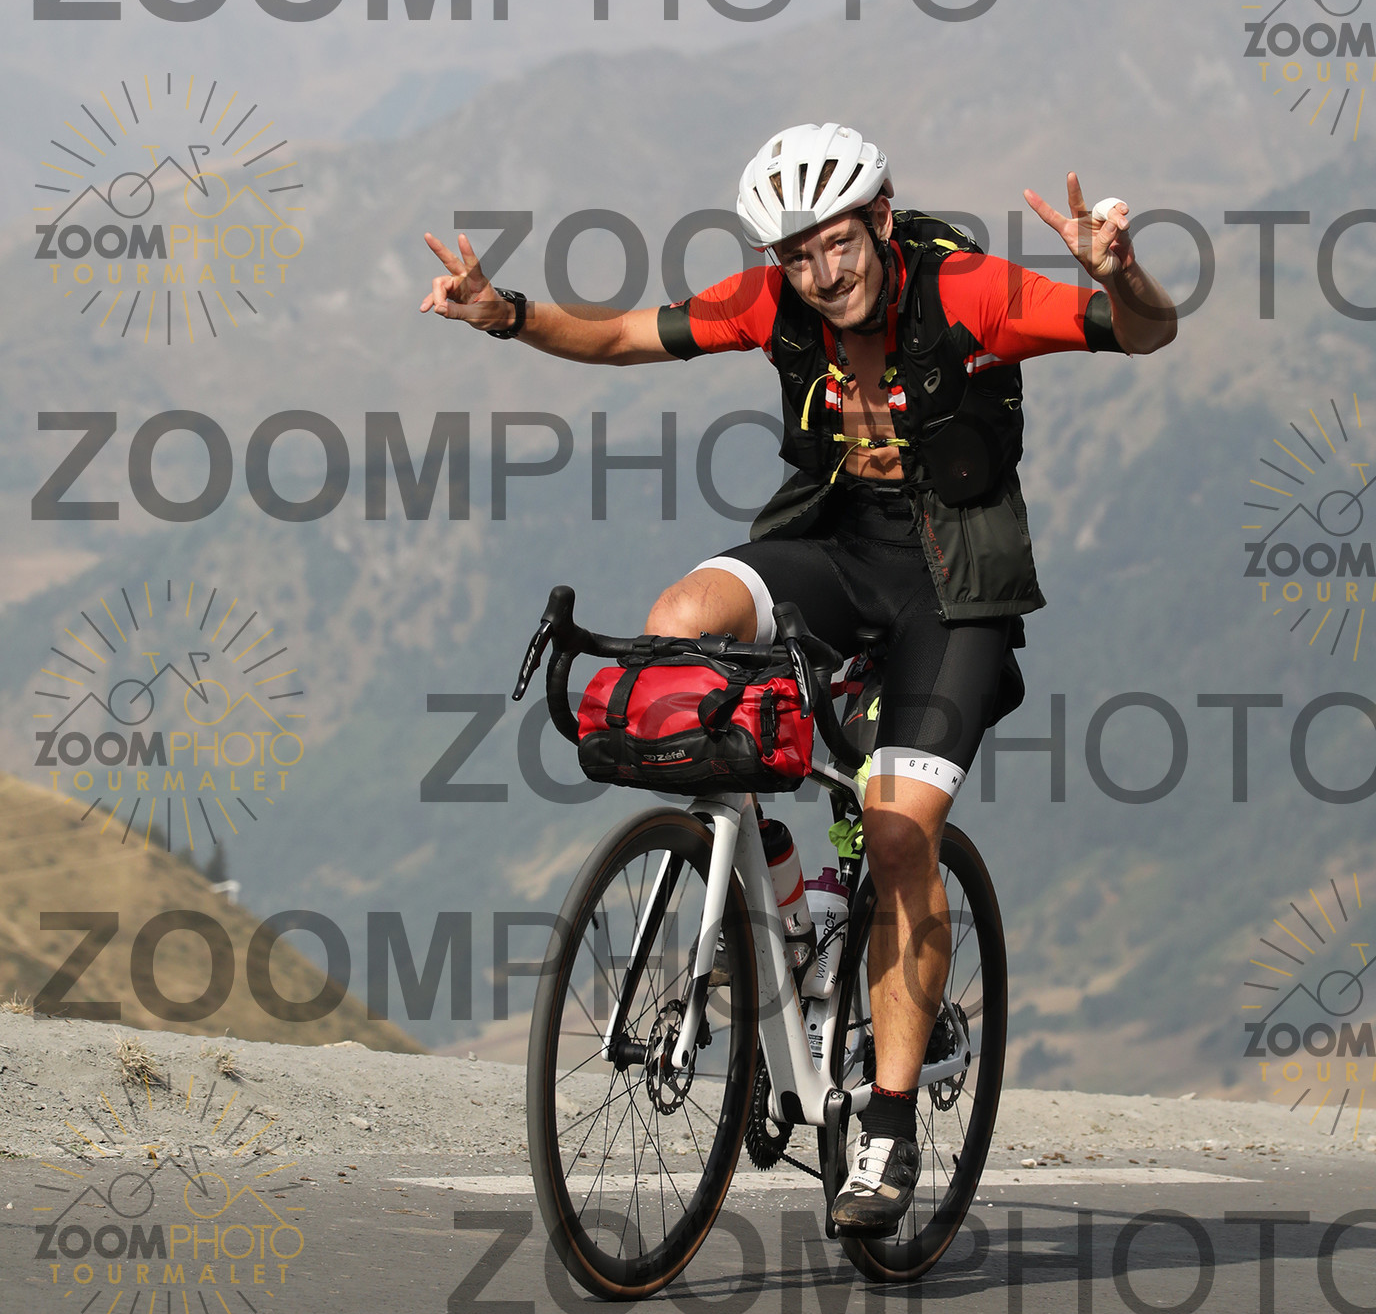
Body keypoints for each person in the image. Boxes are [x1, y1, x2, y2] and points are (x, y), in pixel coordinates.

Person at [422, 123, 1177, 1229]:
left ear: (881, 222)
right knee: (681, 624)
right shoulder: (773, 302)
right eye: (797, 254)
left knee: (900, 834)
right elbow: (626, 335)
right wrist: (507, 314)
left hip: (951, 588)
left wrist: (1120, 274)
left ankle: (887, 1125)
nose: (822, 274)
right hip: (834, 549)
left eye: (839, 245)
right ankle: (772, 878)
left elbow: (1144, 332)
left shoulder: (970, 290)